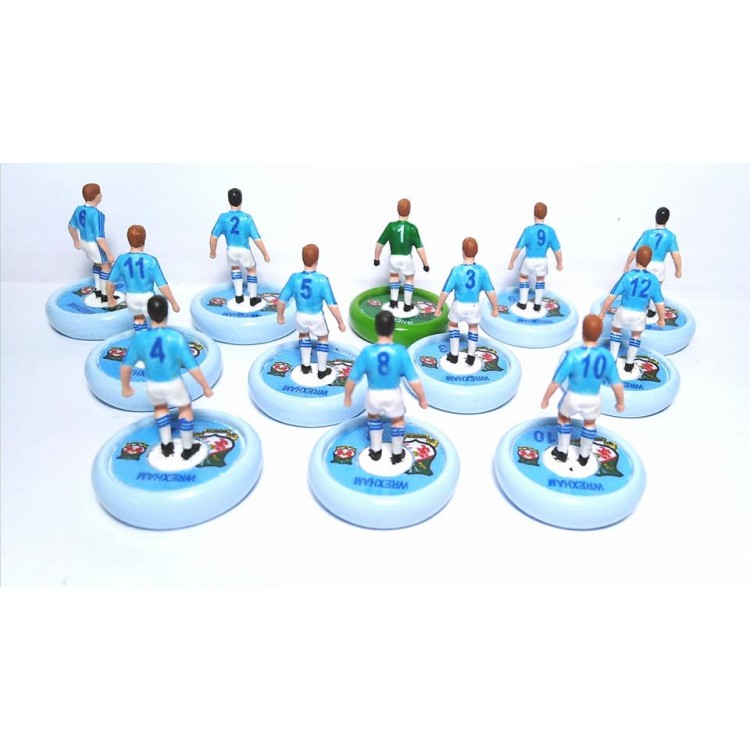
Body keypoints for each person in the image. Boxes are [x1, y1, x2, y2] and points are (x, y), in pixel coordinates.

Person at [121, 296, 214, 460]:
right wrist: (205, 386)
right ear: (166, 313)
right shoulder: (175, 337)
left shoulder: (140, 339)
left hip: (153, 384)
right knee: (185, 409)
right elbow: (192, 366)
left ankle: (166, 445)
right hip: (173, 383)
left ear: (148, 313)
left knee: (160, 408)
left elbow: (126, 366)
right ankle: (187, 448)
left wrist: (126, 387)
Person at [344, 310, 428, 464]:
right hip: (393, 394)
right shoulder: (400, 352)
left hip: (374, 394)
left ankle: (376, 450)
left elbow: (352, 378)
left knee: (373, 417)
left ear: (376, 328)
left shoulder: (368, 352)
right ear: (393, 328)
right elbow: (413, 380)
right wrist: (422, 398)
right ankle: (397, 453)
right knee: (397, 420)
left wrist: (348, 396)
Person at [541, 314, 624, 466]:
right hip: (593, 399)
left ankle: (562, 451)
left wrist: (546, 398)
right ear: (600, 333)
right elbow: (616, 384)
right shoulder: (606, 357)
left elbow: (556, 380)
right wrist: (620, 402)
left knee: (563, 418)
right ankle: (584, 456)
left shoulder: (573, 355)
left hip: (573, 396)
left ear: (582, 332)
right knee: (590, 423)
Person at [276, 244, 347, 379]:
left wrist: (280, 316)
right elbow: (332, 304)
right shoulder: (322, 280)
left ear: (302, 259)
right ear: (317, 260)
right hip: (316, 316)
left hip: (300, 315)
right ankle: (321, 370)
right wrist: (340, 322)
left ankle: (305, 365)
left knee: (303, 335)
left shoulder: (294, 278)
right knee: (323, 338)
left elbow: (282, 300)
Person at [434, 237, 500, 365]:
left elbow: (445, 291)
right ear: (477, 252)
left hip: (458, 305)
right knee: (473, 327)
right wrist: (495, 308)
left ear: (462, 252)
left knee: (453, 325)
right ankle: (471, 356)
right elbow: (491, 292)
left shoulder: (457, 270)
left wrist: (438, 308)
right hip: (474, 306)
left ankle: (454, 355)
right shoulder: (482, 271)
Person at [599, 245, 665, 372]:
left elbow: (612, 296)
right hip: (639, 315)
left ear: (636, 258)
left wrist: (603, 312)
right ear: (649, 261)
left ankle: (613, 358)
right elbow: (659, 303)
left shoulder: (627, 276)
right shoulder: (653, 280)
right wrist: (661, 318)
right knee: (636, 335)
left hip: (623, 311)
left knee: (616, 330)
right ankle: (629, 363)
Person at [106, 225, 180, 332]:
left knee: (138, 318)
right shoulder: (151, 260)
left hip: (131, 297)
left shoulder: (121, 259)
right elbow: (162, 285)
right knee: (157, 319)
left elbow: (110, 282)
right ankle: (156, 337)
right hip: (148, 297)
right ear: (144, 240)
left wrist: (110, 300)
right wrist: (173, 303)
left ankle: (140, 337)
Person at [209, 188, 271, 305]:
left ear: (229, 200)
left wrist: (213, 252)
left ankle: (239, 296)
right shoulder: (247, 218)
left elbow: (213, 237)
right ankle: (253, 298)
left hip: (231, 250)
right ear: (241, 200)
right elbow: (257, 238)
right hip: (244, 250)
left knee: (235, 268)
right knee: (251, 270)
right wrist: (265, 254)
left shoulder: (223, 218)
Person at [373, 198, 430, 311]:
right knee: (409, 278)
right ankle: (407, 305)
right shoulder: (412, 228)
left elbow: (380, 244)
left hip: (393, 257)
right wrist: (425, 264)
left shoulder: (391, 226)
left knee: (394, 276)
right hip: (406, 258)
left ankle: (393, 302)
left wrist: (376, 258)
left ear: (397, 209)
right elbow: (420, 248)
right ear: (410, 210)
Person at [623, 207, 681, 317]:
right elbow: (676, 255)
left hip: (646, 264)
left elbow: (635, 250)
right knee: (656, 290)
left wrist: (627, 264)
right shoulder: (670, 236)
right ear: (667, 219)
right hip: (660, 266)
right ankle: (652, 311)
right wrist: (678, 270)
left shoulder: (647, 234)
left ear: (655, 217)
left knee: (641, 285)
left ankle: (639, 306)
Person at [507, 202, 562, 311]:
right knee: (540, 279)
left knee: (523, 277)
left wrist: (511, 261)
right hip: (542, 260)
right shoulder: (550, 231)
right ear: (545, 214)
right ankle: (537, 304)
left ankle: (523, 302)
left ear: (534, 214)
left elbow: (518, 247)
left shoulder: (528, 230)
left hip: (529, 260)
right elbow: (557, 249)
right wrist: (559, 263)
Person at [67, 183, 114, 303]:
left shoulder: (78, 209)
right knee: (106, 266)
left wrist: (76, 241)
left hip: (84, 242)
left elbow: (71, 226)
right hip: (94, 245)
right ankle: (104, 295)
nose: (101, 196)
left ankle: (98, 290)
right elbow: (99, 238)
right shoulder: (97, 214)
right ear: (96, 196)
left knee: (97, 264)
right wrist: (108, 254)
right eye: (100, 193)